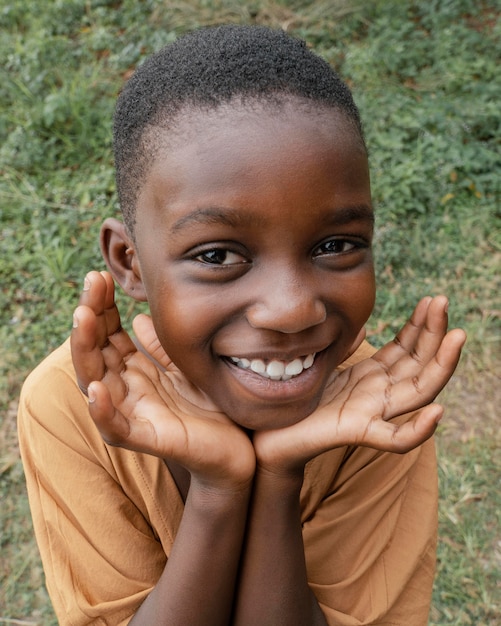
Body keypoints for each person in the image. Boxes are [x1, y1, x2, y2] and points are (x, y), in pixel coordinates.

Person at [18, 24, 466, 626]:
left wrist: (277, 475)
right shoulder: (74, 405)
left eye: (335, 244)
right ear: (130, 263)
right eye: (217, 255)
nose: (291, 309)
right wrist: (220, 487)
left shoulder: (379, 411)